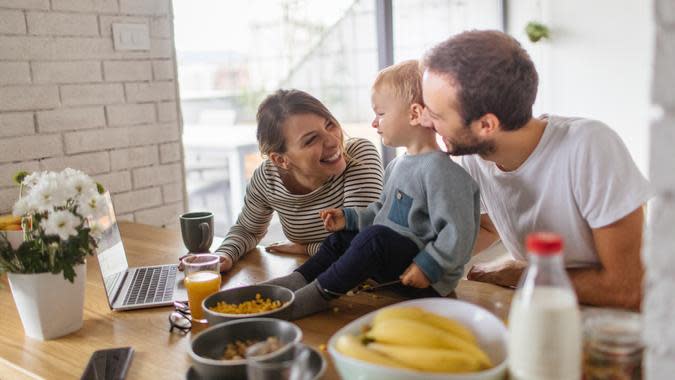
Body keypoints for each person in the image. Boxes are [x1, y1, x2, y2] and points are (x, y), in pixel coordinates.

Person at [420, 30, 652, 310]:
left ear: (486, 126)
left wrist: (521, 272)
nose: (423, 121)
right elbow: (487, 225)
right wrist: (422, 257)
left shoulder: (589, 147)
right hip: (557, 302)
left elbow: (626, 289)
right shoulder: (476, 156)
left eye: (435, 115)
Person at [264, 60, 480, 319]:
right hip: (393, 266)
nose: (374, 123)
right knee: (341, 239)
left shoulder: (443, 171)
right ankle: (299, 280)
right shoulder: (399, 165)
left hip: (427, 279)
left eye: (381, 113)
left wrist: (428, 267)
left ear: (413, 114)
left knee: (375, 238)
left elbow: (459, 232)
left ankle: (317, 296)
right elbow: (382, 212)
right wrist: (350, 218)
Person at [210, 89, 384, 272]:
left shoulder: (359, 155)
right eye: (311, 140)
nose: (333, 142)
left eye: (329, 125)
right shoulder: (268, 178)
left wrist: (305, 248)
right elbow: (247, 230)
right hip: (319, 276)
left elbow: (359, 246)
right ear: (281, 160)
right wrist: (224, 254)